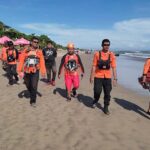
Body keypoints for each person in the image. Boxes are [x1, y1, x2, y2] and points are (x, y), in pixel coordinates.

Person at [90, 39, 117, 115]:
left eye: (108, 45)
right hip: (98, 76)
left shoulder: (111, 55)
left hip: (108, 77)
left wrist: (115, 78)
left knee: (107, 93)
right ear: (102, 45)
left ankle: (106, 107)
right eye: (105, 44)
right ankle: (95, 100)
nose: (106, 46)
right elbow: (94, 66)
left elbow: (114, 67)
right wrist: (91, 77)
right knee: (97, 91)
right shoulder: (97, 54)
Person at [17, 37, 46, 107]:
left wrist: (43, 71)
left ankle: (33, 101)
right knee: (28, 85)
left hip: (35, 71)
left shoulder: (39, 52)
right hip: (27, 71)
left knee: (34, 85)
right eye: (34, 41)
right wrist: (19, 70)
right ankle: (31, 91)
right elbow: (21, 61)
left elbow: (42, 61)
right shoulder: (26, 51)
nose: (36, 43)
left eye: (37, 42)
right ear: (31, 42)